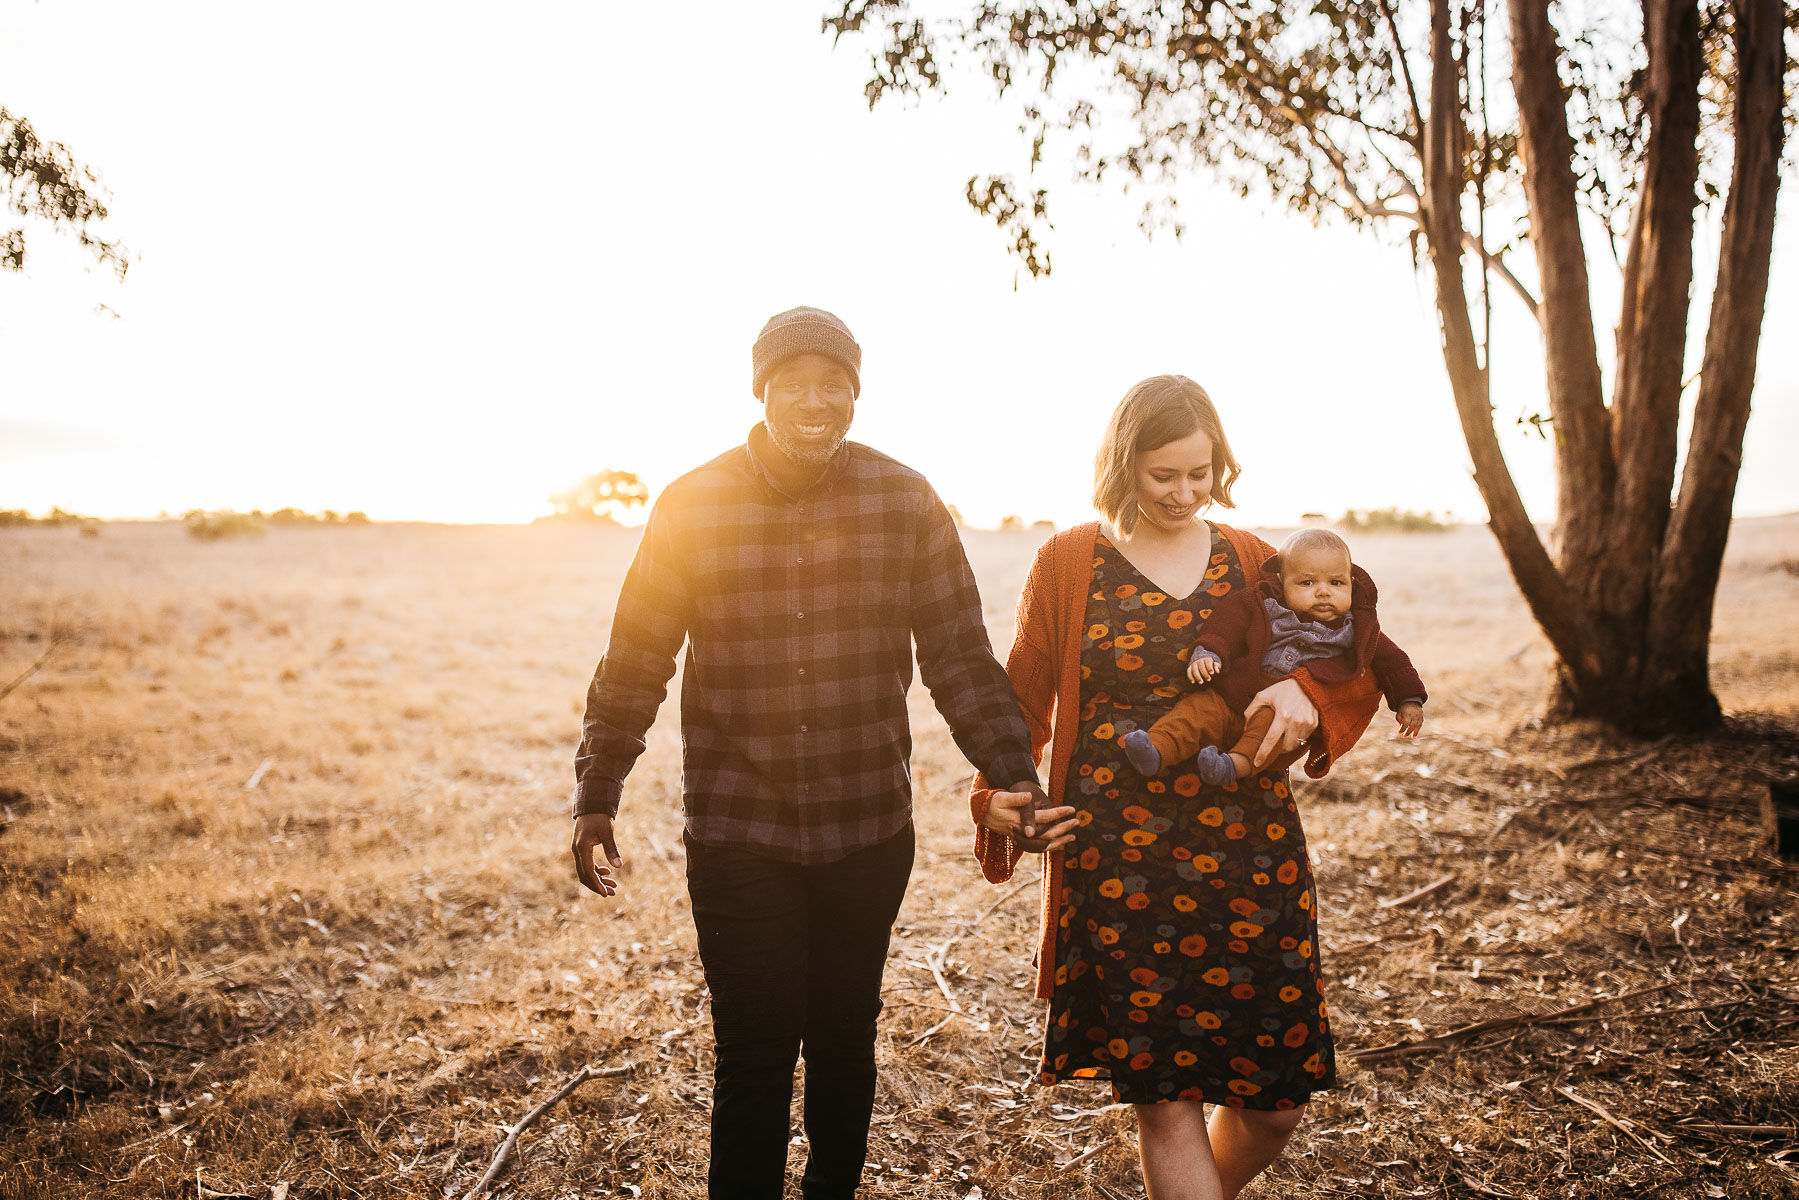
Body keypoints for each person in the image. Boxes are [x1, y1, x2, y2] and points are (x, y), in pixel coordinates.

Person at [569, 305, 1047, 1200]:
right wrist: (599, 788)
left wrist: (1014, 772)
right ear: (763, 391)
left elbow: (958, 658)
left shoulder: (905, 501)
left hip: (866, 827)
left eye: (836, 385)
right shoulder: (691, 503)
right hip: (736, 829)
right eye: (797, 383)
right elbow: (637, 654)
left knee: (841, 1039)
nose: (817, 401)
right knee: (752, 1055)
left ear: (855, 397)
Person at [971, 375, 1359, 1200]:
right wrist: (997, 791)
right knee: (1167, 1096)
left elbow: (1342, 654)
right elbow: (1021, 694)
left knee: (1278, 1104)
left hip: (1249, 852)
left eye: (1200, 472)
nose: (1184, 493)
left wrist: (1307, 694)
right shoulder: (1070, 559)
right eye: (1162, 475)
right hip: (1119, 854)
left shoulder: (1257, 560)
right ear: (1122, 464)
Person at [1120, 527, 1428, 784]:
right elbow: (1225, 627)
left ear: (1352, 583)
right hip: (1231, 696)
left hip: (1280, 714)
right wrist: (1208, 652)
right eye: (1307, 583)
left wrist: (1409, 699)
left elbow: (1393, 662)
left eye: (1336, 582)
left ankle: (1233, 766)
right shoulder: (1263, 605)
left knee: (1268, 730)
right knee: (1196, 712)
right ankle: (1156, 748)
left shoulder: (1357, 628)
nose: (1323, 591)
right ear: (1282, 582)